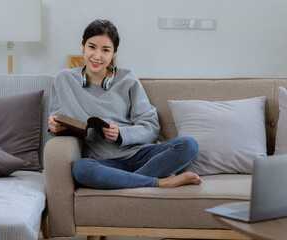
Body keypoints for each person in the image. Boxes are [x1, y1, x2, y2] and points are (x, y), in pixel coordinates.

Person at [48, 19, 202, 189]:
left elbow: (150, 126)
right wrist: (55, 126)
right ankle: (158, 182)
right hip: (103, 162)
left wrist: (121, 134)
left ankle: (125, 181)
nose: (97, 56)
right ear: (83, 46)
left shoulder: (128, 79)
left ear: (113, 53)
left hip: (142, 155)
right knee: (81, 169)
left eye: (105, 50)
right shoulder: (64, 80)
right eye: (92, 47)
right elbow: (58, 118)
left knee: (188, 145)